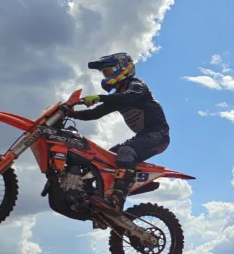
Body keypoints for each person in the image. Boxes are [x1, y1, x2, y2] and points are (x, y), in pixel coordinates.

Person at [67, 52, 171, 211]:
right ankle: (94, 195)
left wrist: (99, 97)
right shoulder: (117, 96)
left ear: (123, 68)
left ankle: (117, 200)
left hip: (158, 135)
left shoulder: (137, 85)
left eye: (108, 71)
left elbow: (129, 97)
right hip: (143, 136)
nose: (106, 76)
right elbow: (94, 113)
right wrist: (69, 113)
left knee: (125, 152)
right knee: (104, 156)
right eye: (105, 73)